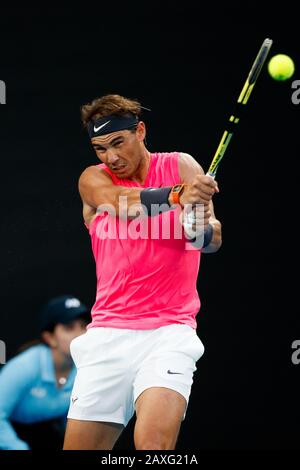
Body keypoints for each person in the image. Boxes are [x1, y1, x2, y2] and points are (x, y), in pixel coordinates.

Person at [63, 94, 222, 450]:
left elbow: (208, 242)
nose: (111, 157)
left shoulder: (182, 166)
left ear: (141, 131)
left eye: (118, 142)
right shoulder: (93, 179)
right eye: (100, 148)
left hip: (169, 333)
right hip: (106, 335)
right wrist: (181, 196)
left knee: (153, 447)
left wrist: (198, 224)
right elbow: (121, 204)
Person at [0, 295, 90, 450]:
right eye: (69, 328)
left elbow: (69, 419)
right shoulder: (25, 366)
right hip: (10, 435)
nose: (80, 334)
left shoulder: (85, 370)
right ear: (50, 338)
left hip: (46, 434)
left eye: (83, 326)